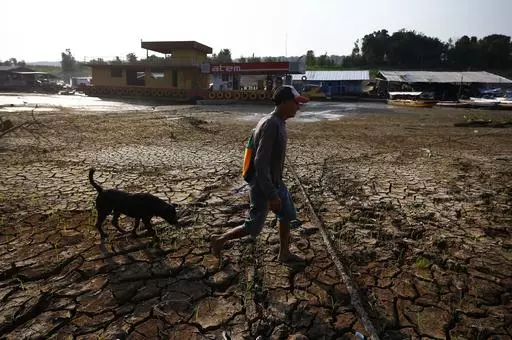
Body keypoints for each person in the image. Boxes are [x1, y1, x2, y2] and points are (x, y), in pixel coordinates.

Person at [211, 85, 309, 263]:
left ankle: (284, 253)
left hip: (276, 182)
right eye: (296, 103)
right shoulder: (271, 124)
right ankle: (220, 240)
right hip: (264, 185)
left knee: (287, 215)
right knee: (254, 226)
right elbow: (260, 162)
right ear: (285, 102)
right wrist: (272, 195)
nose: (298, 107)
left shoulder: (277, 122)